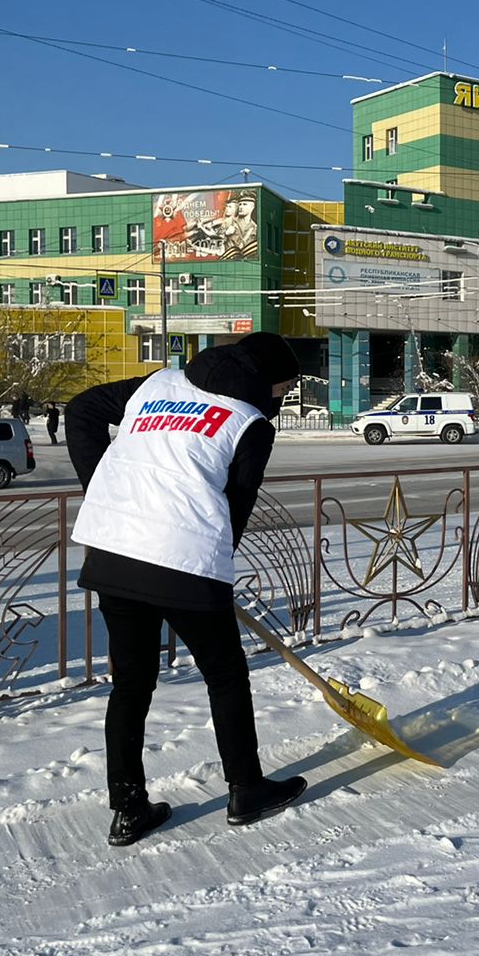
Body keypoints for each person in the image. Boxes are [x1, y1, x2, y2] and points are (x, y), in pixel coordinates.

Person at [67, 331, 306, 847]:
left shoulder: (158, 383)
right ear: (264, 382)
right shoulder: (249, 423)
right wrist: (211, 565)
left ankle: (128, 809)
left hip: (112, 550)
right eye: (284, 388)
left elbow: (81, 409)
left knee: (131, 683)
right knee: (224, 675)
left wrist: (107, 495)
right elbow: (234, 510)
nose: (283, 398)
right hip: (182, 557)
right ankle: (246, 789)